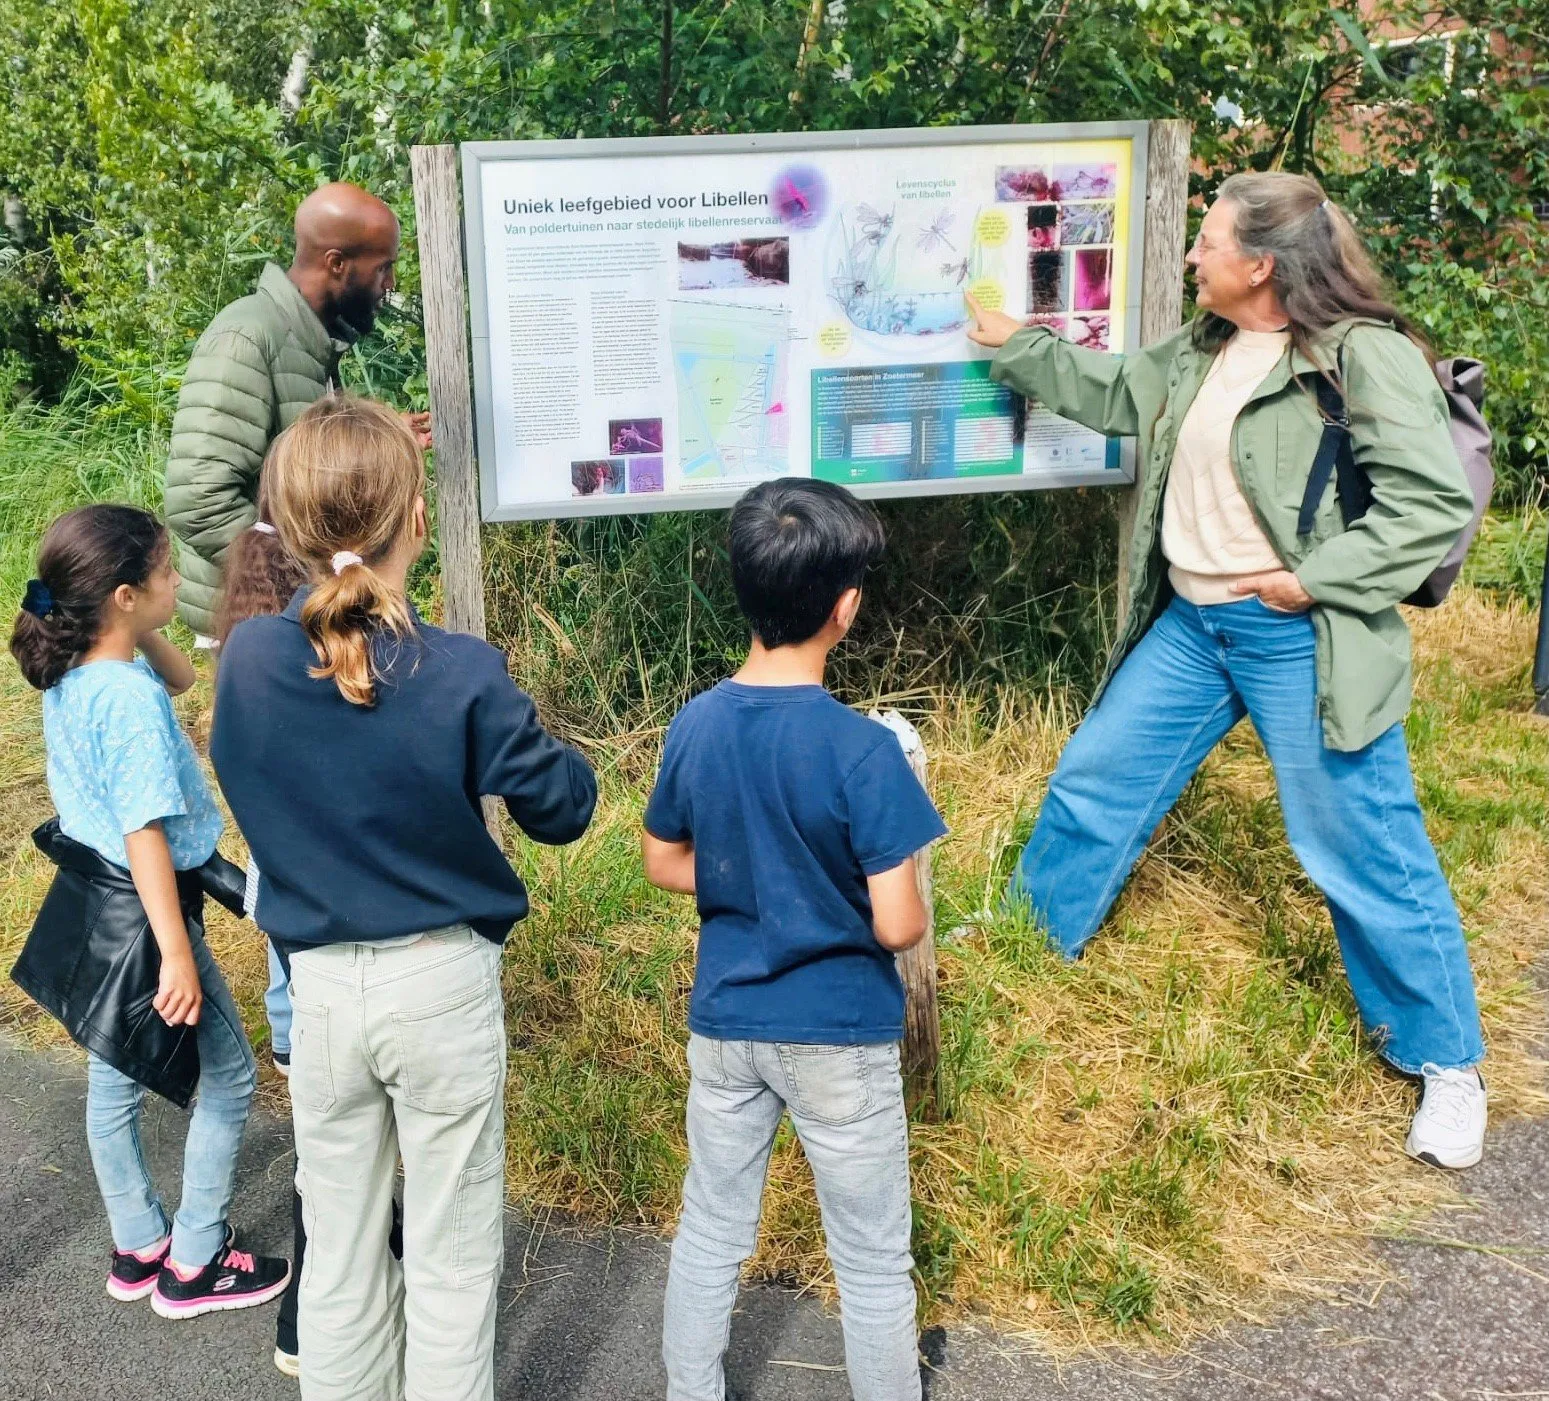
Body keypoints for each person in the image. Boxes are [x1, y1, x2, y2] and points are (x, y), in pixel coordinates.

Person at [966, 170, 1488, 1170]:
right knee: (1095, 780)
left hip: (1300, 632)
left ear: (1260, 264)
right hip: (1193, 626)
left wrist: (1310, 580)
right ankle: (1026, 948)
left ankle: (1446, 1065)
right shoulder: (1208, 345)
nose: (1193, 257)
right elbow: (1120, 391)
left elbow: (1427, 508)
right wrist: (1016, 345)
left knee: (1360, 842)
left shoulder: (1361, 358)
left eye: (1207, 242)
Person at [210, 394, 597, 1401]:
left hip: (321, 994)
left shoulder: (249, 660)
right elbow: (561, 810)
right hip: (440, 985)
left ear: (286, 528)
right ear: (413, 520)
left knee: (337, 1249)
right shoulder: (459, 670)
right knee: (452, 1255)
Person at [643, 478, 947, 1401]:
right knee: (869, 1259)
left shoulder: (694, 723)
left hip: (727, 1024)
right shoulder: (864, 750)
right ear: (844, 609)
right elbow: (898, 920)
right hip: (839, 1036)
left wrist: (755, 877)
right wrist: (822, 890)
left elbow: (663, 859)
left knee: (710, 1227)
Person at [7, 504, 290, 1318]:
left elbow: (182, 677)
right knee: (232, 1074)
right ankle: (197, 1259)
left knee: (114, 1071)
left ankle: (138, 1244)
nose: (179, 582)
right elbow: (146, 835)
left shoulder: (79, 670)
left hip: (96, 904)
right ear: (124, 595)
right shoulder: (123, 700)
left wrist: (137, 625)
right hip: (145, 906)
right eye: (166, 574)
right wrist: (176, 951)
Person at [165, 181, 431, 645]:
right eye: (383, 267)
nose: (389, 284)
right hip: (258, 624)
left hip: (294, 613)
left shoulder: (309, 341)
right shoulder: (247, 337)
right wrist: (309, 577)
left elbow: (297, 466)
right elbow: (199, 502)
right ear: (336, 263)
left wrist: (377, 441)